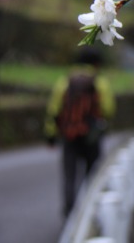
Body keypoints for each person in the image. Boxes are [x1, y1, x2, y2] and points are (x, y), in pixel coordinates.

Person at [44, 47, 116, 216]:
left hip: (69, 137)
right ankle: (90, 211)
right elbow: (108, 109)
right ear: (96, 63)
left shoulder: (65, 82)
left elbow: (54, 109)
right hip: (91, 137)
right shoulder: (100, 83)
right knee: (92, 175)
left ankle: (69, 212)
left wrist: (50, 134)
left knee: (70, 176)